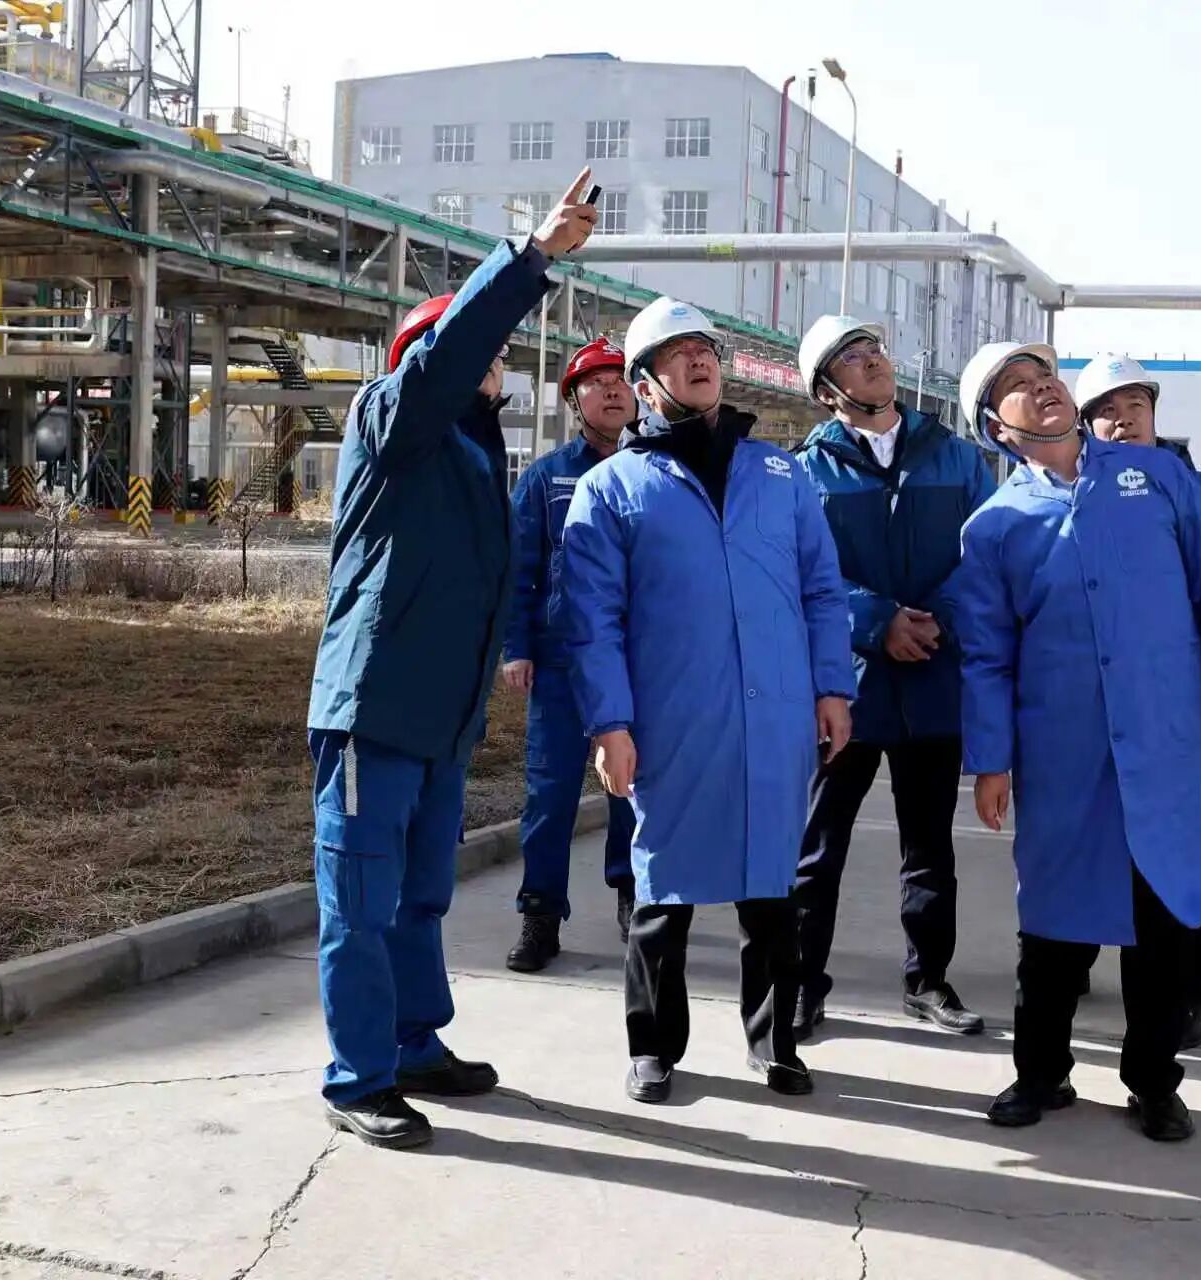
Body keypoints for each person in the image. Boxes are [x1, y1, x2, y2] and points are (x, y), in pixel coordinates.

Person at [305, 169, 599, 1149]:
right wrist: (531, 259)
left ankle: (412, 1042)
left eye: (500, 355)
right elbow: (444, 361)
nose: (496, 361)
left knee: (420, 894)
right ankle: (359, 1077)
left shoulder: (475, 463)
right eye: (482, 347)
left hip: (439, 722)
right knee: (360, 900)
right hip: (373, 710)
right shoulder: (388, 423)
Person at [950, 341, 1201, 1142]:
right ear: (997, 427)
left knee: (1166, 922)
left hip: (1167, 737)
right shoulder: (995, 527)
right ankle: (1041, 1073)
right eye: (1018, 387)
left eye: (1045, 376)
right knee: (1054, 926)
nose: (1043, 388)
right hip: (1065, 751)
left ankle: (1154, 1083)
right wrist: (990, 762)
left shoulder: (1157, 477)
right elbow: (987, 657)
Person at [559, 297, 856, 1105]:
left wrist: (833, 687)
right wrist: (610, 723)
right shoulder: (613, 488)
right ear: (644, 385)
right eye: (676, 352)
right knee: (664, 888)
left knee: (773, 889)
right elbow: (591, 621)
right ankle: (654, 1047)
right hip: (673, 719)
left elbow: (822, 590)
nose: (698, 360)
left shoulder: (779, 474)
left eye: (705, 349)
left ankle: (776, 1041)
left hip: (776, 714)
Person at [789, 316, 997, 1041]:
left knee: (930, 845)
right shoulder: (805, 472)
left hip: (935, 675)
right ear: (826, 391)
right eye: (852, 356)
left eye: (873, 348)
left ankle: (928, 980)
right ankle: (802, 984)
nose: (873, 360)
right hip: (846, 686)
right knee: (818, 846)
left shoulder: (956, 458)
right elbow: (800, 571)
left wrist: (939, 617)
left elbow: (986, 552)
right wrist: (876, 621)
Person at [1075, 355, 1201, 1049]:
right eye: (1107, 409)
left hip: (1199, 701)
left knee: (1190, 850)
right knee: (1097, 843)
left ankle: (1188, 993)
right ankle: (1079, 966)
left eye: (1135, 404)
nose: (1123, 419)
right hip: (1108, 710)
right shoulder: (1069, 492)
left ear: (1155, 414)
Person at [500, 337, 640, 973]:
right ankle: (541, 913)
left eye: (621, 380)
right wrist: (517, 647)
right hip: (560, 663)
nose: (611, 389)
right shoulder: (546, 477)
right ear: (574, 402)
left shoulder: (654, 471)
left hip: (633, 662)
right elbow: (519, 570)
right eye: (595, 382)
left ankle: (634, 897)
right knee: (549, 794)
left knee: (630, 789)